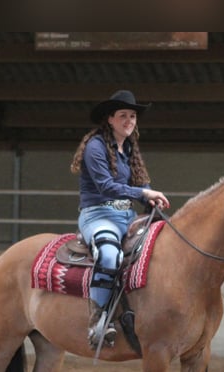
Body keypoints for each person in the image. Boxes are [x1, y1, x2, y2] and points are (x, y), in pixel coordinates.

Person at [70, 90, 170, 348]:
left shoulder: (129, 149)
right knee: (109, 254)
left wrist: (152, 200)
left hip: (126, 216)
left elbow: (140, 181)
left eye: (133, 116)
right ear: (110, 119)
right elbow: (106, 186)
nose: (129, 120)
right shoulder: (95, 146)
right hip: (98, 215)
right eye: (123, 115)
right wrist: (143, 192)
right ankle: (97, 321)